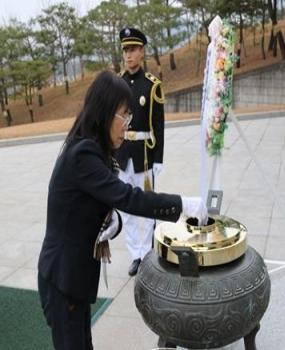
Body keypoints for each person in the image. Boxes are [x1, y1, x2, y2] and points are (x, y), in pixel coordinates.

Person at [37, 70, 207, 350]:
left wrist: (111, 220)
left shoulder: (92, 149)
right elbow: (129, 198)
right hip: (62, 278)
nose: (127, 126)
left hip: (73, 277)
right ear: (104, 112)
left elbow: (97, 202)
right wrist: (183, 205)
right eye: (124, 115)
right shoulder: (83, 154)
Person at [116, 27, 165, 276]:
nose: (128, 55)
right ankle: (135, 254)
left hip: (145, 155)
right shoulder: (118, 83)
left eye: (133, 49)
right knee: (126, 206)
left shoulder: (152, 85)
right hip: (123, 155)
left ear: (142, 51)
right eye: (125, 49)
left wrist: (159, 159)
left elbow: (159, 124)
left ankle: (147, 252)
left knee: (146, 206)